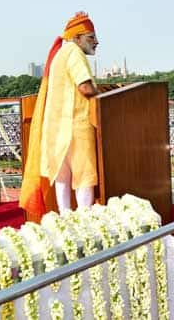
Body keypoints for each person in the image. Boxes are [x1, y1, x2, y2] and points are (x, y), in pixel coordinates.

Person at [20, 11, 101, 222]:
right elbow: (85, 87)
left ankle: (64, 221)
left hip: (56, 129)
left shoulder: (60, 55)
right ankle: (85, 223)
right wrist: (103, 95)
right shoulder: (74, 52)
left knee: (62, 176)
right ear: (76, 38)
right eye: (91, 37)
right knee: (84, 175)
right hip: (76, 126)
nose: (97, 42)